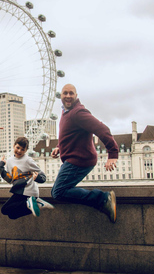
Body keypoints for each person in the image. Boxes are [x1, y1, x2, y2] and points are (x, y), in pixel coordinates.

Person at [50, 84, 118, 223]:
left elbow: (102, 129)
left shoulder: (78, 113)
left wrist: (113, 154)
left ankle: (103, 198)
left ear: (76, 96)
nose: (68, 96)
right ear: (60, 96)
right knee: (57, 191)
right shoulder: (66, 112)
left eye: (71, 93)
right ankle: (102, 202)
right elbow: (69, 133)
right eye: (65, 93)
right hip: (73, 158)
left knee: (59, 192)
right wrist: (59, 147)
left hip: (80, 160)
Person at [0, 137, 54, 219]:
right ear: (14, 146)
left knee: (4, 209)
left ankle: (29, 202)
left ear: (26, 150)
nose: (19, 151)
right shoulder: (10, 161)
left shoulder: (28, 160)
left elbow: (43, 177)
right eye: (18, 148)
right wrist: (0, 168)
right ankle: (37, 204)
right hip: (19, 190)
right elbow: (10, 179)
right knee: (12, 215)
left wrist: (37, 177)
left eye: (22, 149)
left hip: (28, 191)